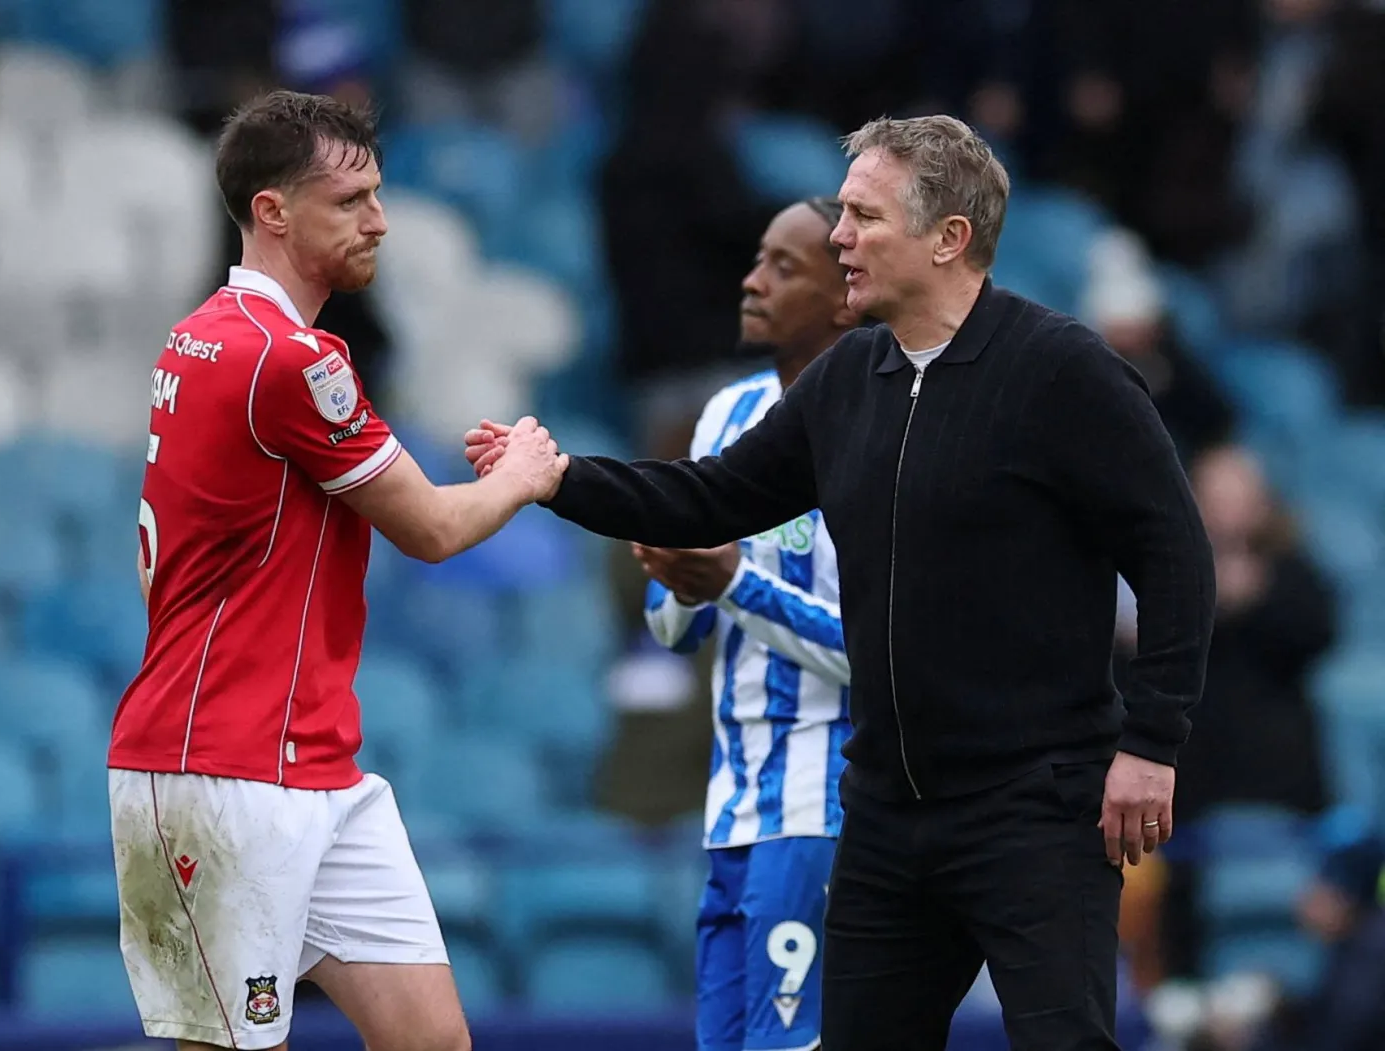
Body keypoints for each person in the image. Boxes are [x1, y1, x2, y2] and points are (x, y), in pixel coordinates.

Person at [467, 114, 1216, 1050]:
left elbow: (1177, 556)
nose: (839, 237)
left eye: (863, 217)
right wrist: (560, 476)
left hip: (1036, 807)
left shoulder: (1064, 371)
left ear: (948, 238)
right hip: (886, 814)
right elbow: (708, 498)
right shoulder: (849, 375)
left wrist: (1153, 741)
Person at [109, 90, 565, 1051]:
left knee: (435, 1042)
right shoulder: (287, 360)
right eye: (350, 199)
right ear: (273, 211)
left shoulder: (202, 337)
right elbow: (434, 529)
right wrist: (525, 474)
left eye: (377, 194)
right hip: (221, 773)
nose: (380, 219)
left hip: (317, 766)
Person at [636, 196, 860, 1051]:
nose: (752, 280)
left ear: (846, 298)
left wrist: (732, 580)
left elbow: (879, 650)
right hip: (732, 805)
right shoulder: (727, 415)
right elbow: (672, 630)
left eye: (783, 266)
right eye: (757, 258)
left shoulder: (875, 428)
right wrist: (682, 579)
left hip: (822, 807)